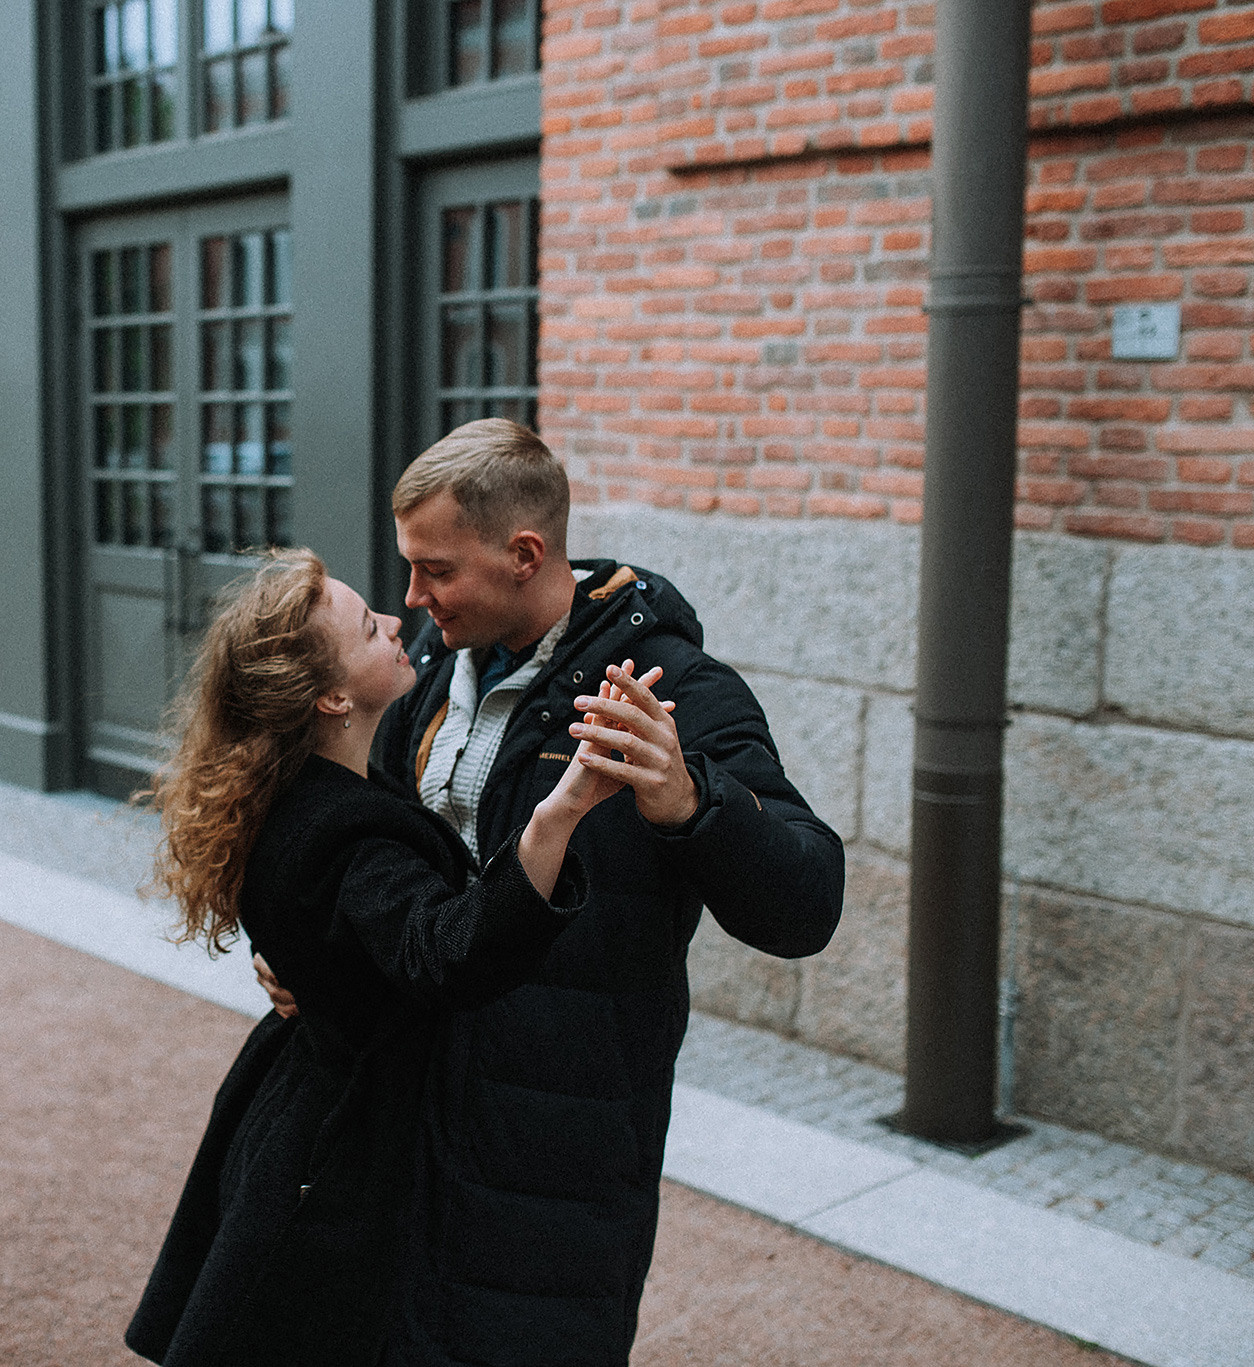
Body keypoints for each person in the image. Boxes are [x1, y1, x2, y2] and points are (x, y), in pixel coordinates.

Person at [254, 418, 846, 1365]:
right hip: (400, 1132)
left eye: (436, 569)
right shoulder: (418, 691)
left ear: (524, 554)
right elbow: (371, 876)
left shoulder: (678, 691)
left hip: (557, 1164)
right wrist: (306, 950)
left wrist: (693, 801)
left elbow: (809, 903)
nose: (412, 597)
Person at [125, 548, 651, 1367]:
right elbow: (444, 952)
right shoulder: (346, 831)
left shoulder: (292, 792)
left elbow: (345, 931)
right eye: (369, 626)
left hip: (298, 1106)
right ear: (333, 696)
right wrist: (562, 813)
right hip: (346, 1149)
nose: (396, 619)